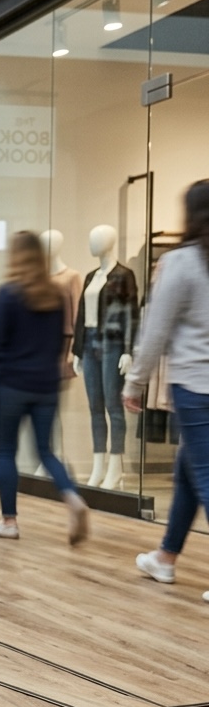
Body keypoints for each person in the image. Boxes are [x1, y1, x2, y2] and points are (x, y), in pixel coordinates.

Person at [0, 230, 89, 545]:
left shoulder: (8, 294)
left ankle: (9, 521)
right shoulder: (55, 296)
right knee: (46, 451)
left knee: (6, 451)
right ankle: (72, 497)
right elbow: (60, 341)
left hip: (12, 385)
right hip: (46, 386)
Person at [123, 181, 209, 596]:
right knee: (189, 471)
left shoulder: (181, 262)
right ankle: (165, 557)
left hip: (196, 385)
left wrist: (135, 382)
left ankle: (166, 557)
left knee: (204, 474)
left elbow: (155, 330)